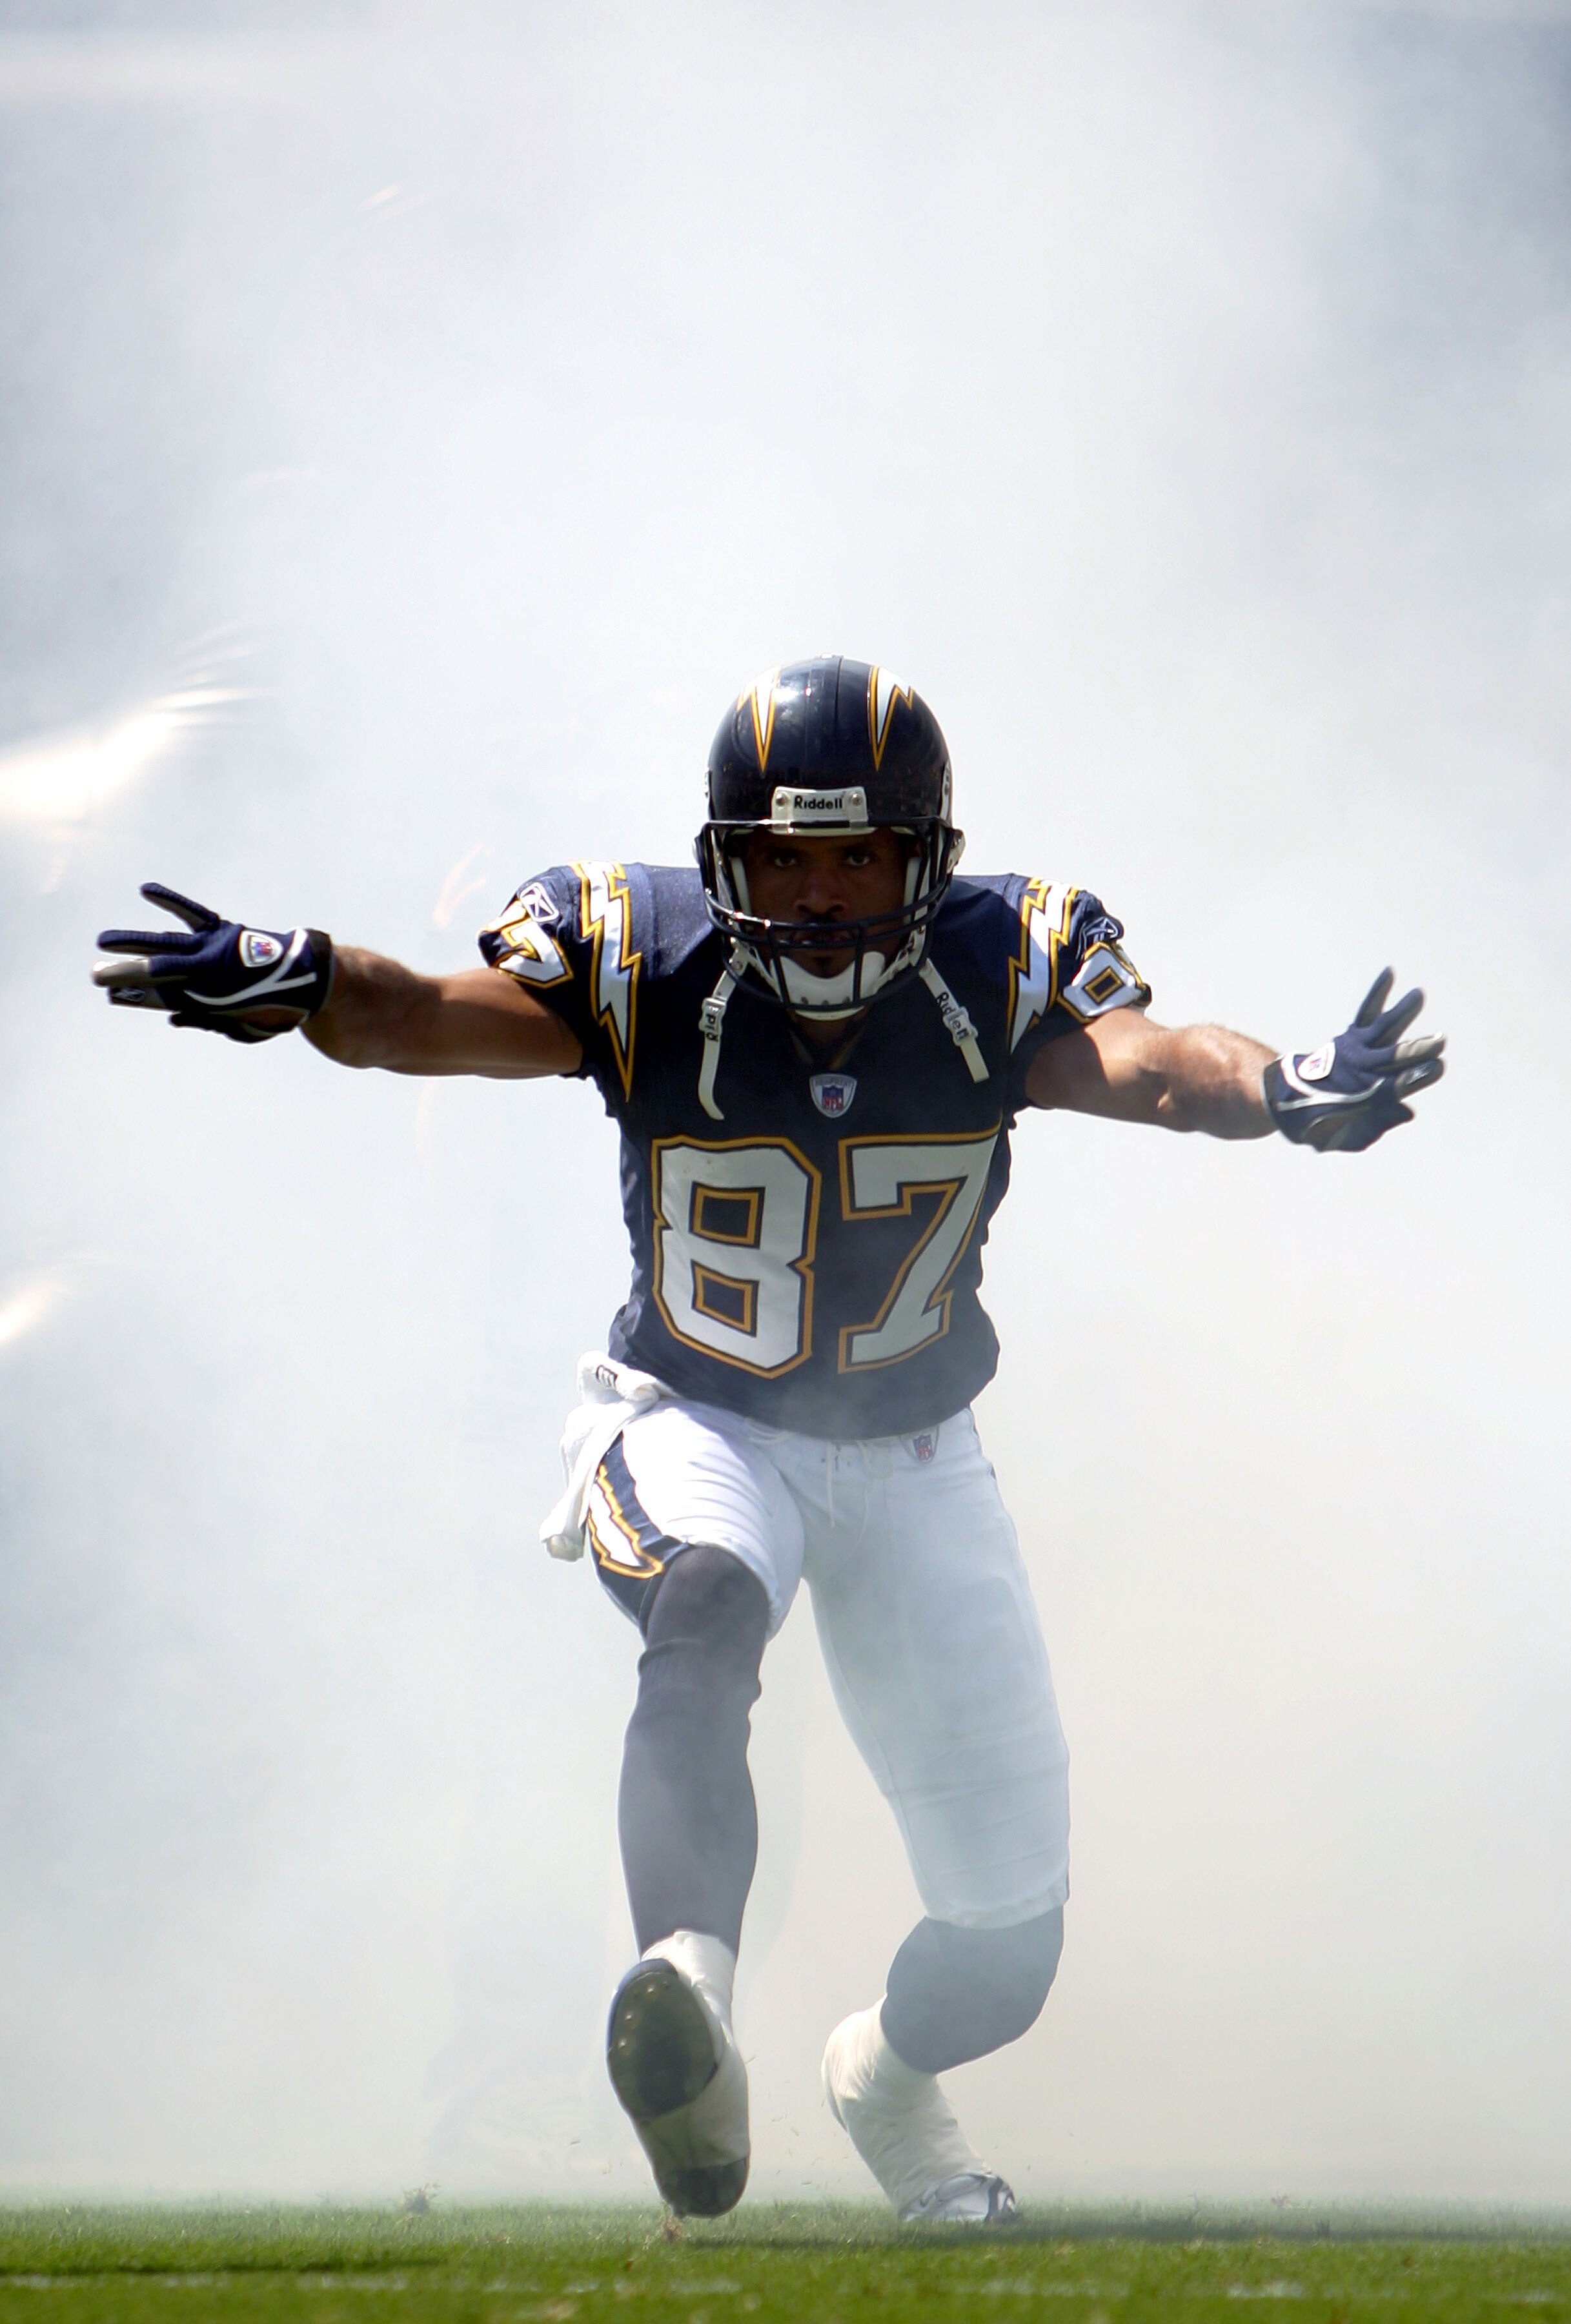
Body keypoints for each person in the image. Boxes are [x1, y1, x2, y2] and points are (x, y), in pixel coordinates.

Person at [92, 655, 1444, 2224]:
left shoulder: (998, 960)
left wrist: (1276, 1085)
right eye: (784, 859)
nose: (814, 898)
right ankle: (690, 2005)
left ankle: (878, 2074)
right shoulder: (647, 956)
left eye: (852, 856)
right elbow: (416, 1018)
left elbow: (1146, 1062)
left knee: (1007, 1946)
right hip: (698, 1411)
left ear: (920, 861)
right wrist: (310, 975)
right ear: (725, 859)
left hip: (917, 1452)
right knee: (705, 1611)